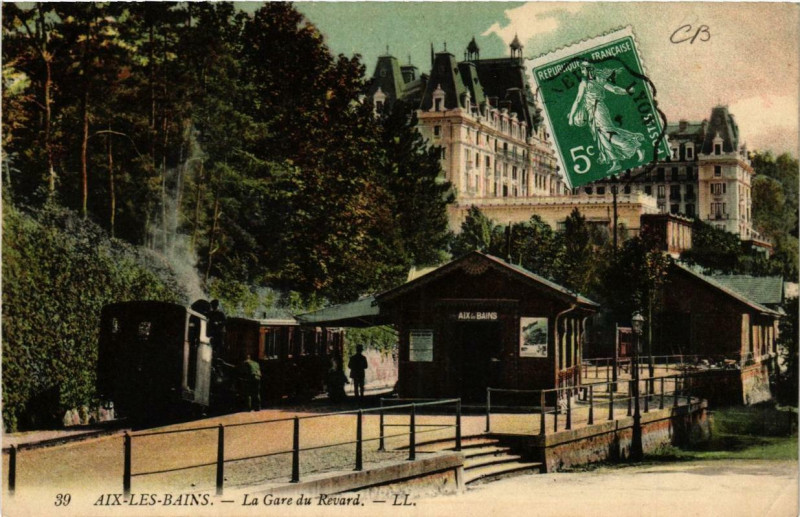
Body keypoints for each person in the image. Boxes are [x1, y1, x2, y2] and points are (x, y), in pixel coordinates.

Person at [568, 61, 645, 174]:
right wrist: (626, 91)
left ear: (588, 69)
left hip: (598, 109)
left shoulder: (586, 83)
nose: (582, 72)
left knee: (607, 132)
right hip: (592, 112)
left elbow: (577, 100)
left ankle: (634, 146)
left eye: (583, 69)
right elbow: (614, 89)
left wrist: (571, 117)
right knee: (601, 135)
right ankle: (615, 161)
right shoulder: (596, 80)